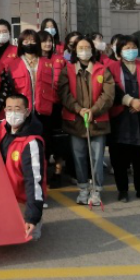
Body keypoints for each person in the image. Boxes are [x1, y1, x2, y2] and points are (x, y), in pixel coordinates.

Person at [59, 36, 115, 206]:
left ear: (92, 50)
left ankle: (96, 190)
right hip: (76, 121)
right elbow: (64, 94)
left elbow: (108, 95)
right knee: (79, 157)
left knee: (97, 158)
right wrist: (79, 109)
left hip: (98, 121)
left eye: (87, 47)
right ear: (75, 51)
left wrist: (94, 110)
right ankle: (83, 189)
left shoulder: (102, 70)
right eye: (80, 48)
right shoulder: (67, 70)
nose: (84, 51)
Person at [107, 35, 140, 203]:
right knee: (119, 158)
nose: (131, 50)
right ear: (119, 51)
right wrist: (129, 100)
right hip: (120, 118)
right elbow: (110, 88)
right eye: (126, 48)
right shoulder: (111, 68)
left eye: (133, 47)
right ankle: (122, 190)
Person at [0, 94, 45, 240]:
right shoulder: (2, 128)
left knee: (27, 235)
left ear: (27, 112)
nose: (13, 113)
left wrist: (32, 217)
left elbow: (34, 183)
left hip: (20, 199)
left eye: (17, 109)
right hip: (1, 195)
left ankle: (33, 219)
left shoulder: (32, 143)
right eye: (9, 109)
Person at [4, 30, 56, 158]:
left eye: (32, 40)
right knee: (24, 146)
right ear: (21, 43)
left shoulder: (47, 63)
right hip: (23, 112)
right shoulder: (13, 65)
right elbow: (10, 89)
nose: (29, 43)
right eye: (26, 41)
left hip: (43, 111)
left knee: (44, 144)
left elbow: (53, 87)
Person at [40, 31, 68, 188]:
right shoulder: (35, 60)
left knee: (58, 141)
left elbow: (66, 83)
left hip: (57, 106)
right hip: (41, 107)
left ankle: (58, 173)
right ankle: (43, 173)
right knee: (44, 141)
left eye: (50, 41)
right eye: (44, 41)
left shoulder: (60, 60)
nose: (48, 44)